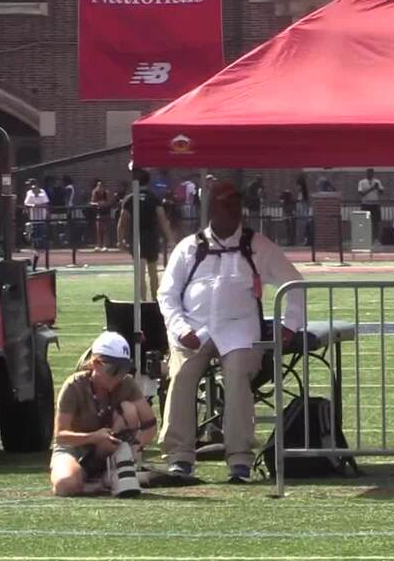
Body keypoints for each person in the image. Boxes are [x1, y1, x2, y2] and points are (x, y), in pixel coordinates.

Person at [157, 180, 305, 483]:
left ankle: (239, 459)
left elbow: (295, 284)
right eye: (226, 204)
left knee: (237, 376)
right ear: (212, 208)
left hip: (240, 331)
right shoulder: (188, 247)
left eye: (237, 204)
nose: (234, 210)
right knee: (182, 375)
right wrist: (180, 328)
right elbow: (167, 295)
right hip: (193, 329)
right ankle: (179, 456)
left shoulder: (258, 246)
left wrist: (289, 325)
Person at [50, 332, 158, 497]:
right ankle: (98, 481)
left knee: (128, 409)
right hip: (74, 447)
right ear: (96, 364)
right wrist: (94, 437)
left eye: (125, 369)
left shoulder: (127, 384)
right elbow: (60, 437)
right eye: (114, 370)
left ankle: (110, 472)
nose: (119, 376)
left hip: (108, 449)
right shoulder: (74, 386)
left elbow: (150, 424)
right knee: (66, 484)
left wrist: (134, 447)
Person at [118, 168, 177, 301]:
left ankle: (142, 302)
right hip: (151, 238)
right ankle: (156, 302)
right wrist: (170, 239)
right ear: (148, 181)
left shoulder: (129, 199)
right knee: (153, 272)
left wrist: (120, 240)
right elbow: (162, 220)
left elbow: (122, 222)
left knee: (139, 273)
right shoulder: (153, 198)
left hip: (136, 238)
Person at [358, 168, 385, 242]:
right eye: (368, 173)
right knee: (365, 222)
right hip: (366, 205)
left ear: (373, 174)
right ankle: (365, 238)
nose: (370, 174)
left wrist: (378, 188)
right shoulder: (362, 182)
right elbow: (361, 193)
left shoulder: (377, 181)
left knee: (376, 222)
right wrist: (372, 188)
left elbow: (382, 192)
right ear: (366, 174)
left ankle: (376, 239)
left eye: (371, 173)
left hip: (375, 205)